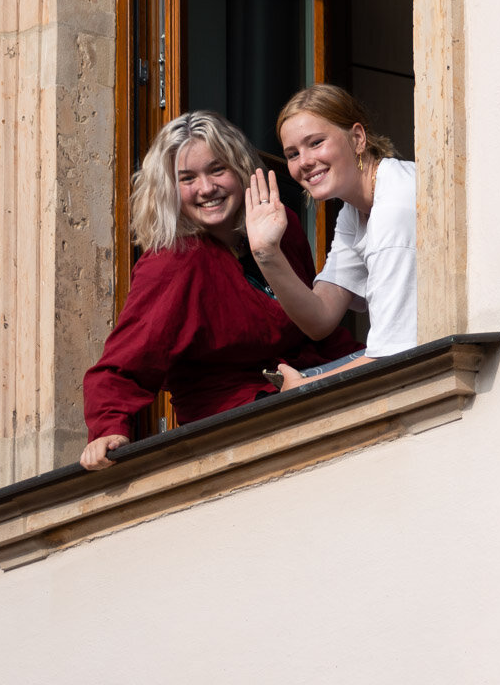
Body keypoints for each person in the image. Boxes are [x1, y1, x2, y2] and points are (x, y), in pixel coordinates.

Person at [78, 111, 361, 470]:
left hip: (310, 388)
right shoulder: (172, 262)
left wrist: (365, 360)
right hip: (234, 427)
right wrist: (107, 429)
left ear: (241, 170)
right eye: (187, 178)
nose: (206, 188)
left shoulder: (280, 226)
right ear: (169, 189)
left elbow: (316, 331)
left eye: (216, 170)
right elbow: (122, 367)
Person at [243, 85, 416, 390]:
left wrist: (307, 388)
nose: (304, 162)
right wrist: (266, 253)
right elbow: (320, 318)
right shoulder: (355, 209)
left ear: (357, 138)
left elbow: (395, 354)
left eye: (316, 143)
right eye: (293, 154)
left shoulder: (394, 204)